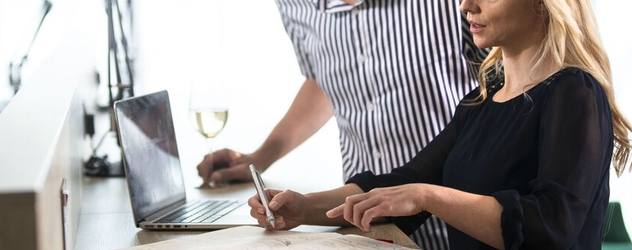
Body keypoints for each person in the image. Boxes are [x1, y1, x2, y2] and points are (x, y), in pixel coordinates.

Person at [248, 0, 632, 248]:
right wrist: (302, 208)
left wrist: (429, 195)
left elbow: (553, 228)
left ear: (541, 4)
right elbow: (404, 181)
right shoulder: (482, 99)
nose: (467, 5)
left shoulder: (574, 93)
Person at [196, 0, 487, 249]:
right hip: (358, 217)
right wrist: (262, 156)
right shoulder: (295, 5)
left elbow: (510, 75)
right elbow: (326, 78)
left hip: (457, 215)